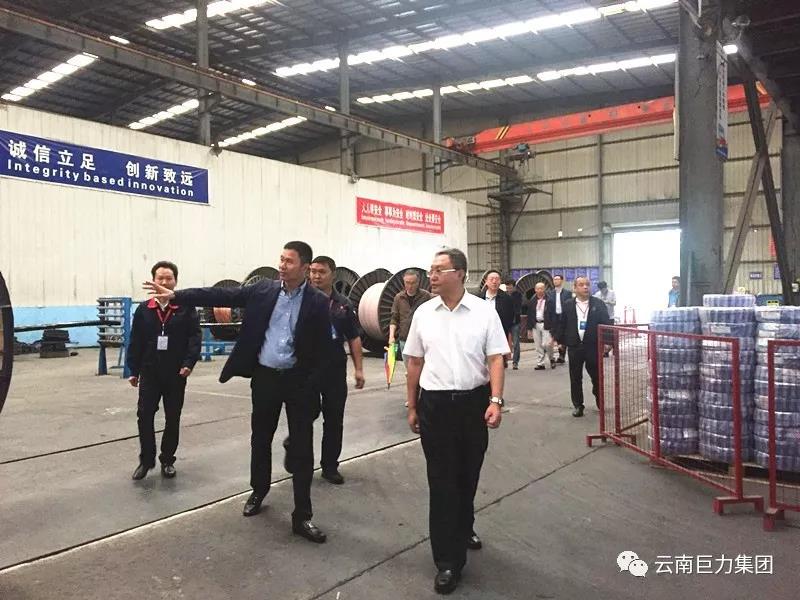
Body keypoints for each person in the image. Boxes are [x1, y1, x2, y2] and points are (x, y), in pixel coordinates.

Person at [143, 241, 331, 544]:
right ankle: (259, 491)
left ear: (305, 267)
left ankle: (302, 516)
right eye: (281, 259)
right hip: (266, 377)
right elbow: (221, 295)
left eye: (289, 261)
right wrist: (177, 295)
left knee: (302, 449)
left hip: (298, 381)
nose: (282, 265)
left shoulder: (318, 302)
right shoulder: (263, 290)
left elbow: (324, 350)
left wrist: (312, 384)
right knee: (261, 439)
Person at [404, 248, 508, 595]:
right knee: (442, 480)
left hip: (473, 404)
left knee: (468, 475)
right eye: (430, 270)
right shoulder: (423, 313)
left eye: (439, 270)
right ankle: (447, 561)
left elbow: (496, 358)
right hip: (435, 406)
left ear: (460, 273)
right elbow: (414, 362)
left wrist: (495, 400)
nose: (431, 276)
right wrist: (412, 405)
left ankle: (464, 527)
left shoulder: (483, 312)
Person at [128, 261, 201, 481]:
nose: (164, 282)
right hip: (150, 371)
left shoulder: (186, 308)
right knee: (144, 415)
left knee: (172, 416)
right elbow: (136, 340)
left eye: (168, 278)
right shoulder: (144, 310)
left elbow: (194, 337)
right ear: (153, 280)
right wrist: (133, 370)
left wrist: (188, 363)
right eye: (160, 278)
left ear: (175, 282)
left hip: (176, 372)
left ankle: (167, 459)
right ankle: (146, 460)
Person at [306, 255, 365, 484]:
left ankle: (330, 466)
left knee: (333, 419)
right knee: (305, 415)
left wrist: (359, 369)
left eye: (321, 272)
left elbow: (353, 337)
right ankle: (300, 459)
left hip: (334, 370)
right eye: (313, 271)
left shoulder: (343, 304)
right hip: (307, 370)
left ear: (333, 274)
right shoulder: (301, 300)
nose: (316, 276)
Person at [552, 276, 612, 417]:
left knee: (596, 376)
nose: (585, 287)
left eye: (587, 284)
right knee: (575, 377)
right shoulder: (568, 305)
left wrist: (608, 342)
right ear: (575, 288)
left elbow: (606, 323)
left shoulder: (598, 304)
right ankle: (578, 405)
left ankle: (600, 400)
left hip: (593, 346)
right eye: (581, 285)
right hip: (574, 346)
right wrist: (559, 340)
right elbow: (562, 323)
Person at [389, 269, 432, 406]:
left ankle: (423, 396)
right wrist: (391, 336)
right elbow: (394, 318)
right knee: (410, 372)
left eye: (413, 283)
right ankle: (412, 398)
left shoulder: (426, 296)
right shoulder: (399, 298)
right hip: (405, 340)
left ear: (418, 282)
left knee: (424, 369)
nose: (410, 286)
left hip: (423, 340)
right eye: (407, 283)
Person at [479, 270, 514, 368]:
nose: (494, 282)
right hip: (481, 335)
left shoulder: (507, 299)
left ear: (500, 282)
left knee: (497, 365)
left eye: (497, 279)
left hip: (499, 335)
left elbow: (509, 320)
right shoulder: (479, 298)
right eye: (491, 279)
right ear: (486, 281)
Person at [525, 282, 555, 370]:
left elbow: (553, 314)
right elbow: (529, 314)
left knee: (547, 344)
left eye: (541, 288)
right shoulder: (532, 300)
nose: (539, 290)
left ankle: (551, 358)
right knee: (538, 345)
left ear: (544, 289)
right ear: (535, 290)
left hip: (546, 324)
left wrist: (554, 327)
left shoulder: (549, 300)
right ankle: (540, 363)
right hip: (536, 324)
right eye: (538, 288)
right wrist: (529, 328)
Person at [546, 274, 572, 364]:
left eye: (557, 279)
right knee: (555, 334)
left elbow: (570, 305)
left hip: (564, 316)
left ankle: (562, 355)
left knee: (563, 335)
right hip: (554, 317)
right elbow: (548, 306)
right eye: (554, 279)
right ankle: (560, 352)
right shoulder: (550, 293)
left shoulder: (567, 293)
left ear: (562, 281)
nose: (556, 281)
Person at [505, 279, 523, 369]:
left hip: (515, 322)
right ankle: (504, 360)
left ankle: (515, 362)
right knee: (503, 343)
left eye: (510, 287)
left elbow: (517, 307)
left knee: (516, 343)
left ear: (514, 287)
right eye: (507, 287)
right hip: (505, 322)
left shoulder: (518, 295)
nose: (508, 289)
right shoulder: (504, 295)